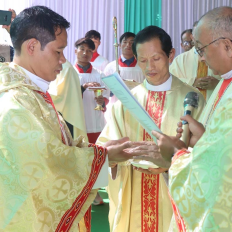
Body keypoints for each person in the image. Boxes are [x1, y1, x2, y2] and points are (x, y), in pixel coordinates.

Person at [0, 6, 145, 231]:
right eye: (58, 51)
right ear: (32, 47)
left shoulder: (30, 93)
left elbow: (54, 150)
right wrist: (102, 159)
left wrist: (100, 153)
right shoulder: (15, 104)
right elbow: (49, 168)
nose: (63, 60)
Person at [97, 26, 205, 232]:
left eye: (156, 58)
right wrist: (113, 157)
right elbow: (106, 145)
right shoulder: (126, 102)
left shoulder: (192, 98)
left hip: (173, 194)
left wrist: (172, 162)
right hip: (133, 189)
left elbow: (205, 150)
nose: (149, 67)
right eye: (143, 60)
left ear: (171, 55)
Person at [134, 6, 232, 231]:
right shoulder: (224, 84)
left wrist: (177, 154)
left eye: (201, 48)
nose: (201, 57)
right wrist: (203, 137)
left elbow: (221, 168)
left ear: (227, 46)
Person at [170, 21, 220, 101]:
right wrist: (192, 82)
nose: (201, 37)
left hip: (216, 108)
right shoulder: (179, 60)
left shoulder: (221, 56)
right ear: (192, 37)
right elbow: (170, 81)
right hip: (188, 109)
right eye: (197, 34)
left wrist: (218, 84)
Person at [73, 38, 110, 144]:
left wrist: (102, 102)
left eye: (89, 50)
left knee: (97, 155)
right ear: (76, 51)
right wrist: (83, 87)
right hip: (78, 123)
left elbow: (105, 99)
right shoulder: (70, 74)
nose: (85, 53)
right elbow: (68, 98)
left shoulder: (100, 75)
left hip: (97, 123)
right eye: (82, 49)